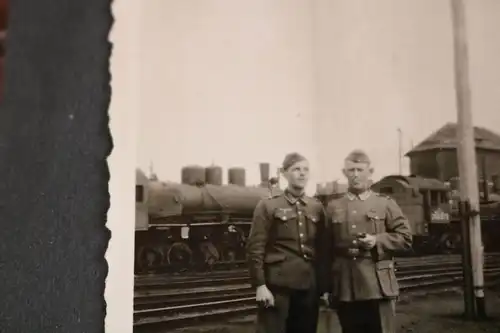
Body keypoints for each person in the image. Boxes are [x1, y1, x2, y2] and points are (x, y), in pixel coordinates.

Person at [326, 149, 412, 333]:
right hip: (345, 286)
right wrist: (326, 286)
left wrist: (377, 240)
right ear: (344, 173)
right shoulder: (334, 207)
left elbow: (405, 238)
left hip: (377, 285)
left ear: (370, 172)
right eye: (351, 170)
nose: (355, 175)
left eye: (360, 170)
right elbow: (325, 250)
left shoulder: (385, 203)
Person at [246, 152, 330, 333]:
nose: (302, 173)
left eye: (306, 169)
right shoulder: (268, 206)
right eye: (296, 169)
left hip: (308, 288)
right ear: (284, 174)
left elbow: (323, 251)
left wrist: (324, 287)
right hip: (277, 287)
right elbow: (256, 247)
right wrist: (260, 285)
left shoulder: (316, 207)